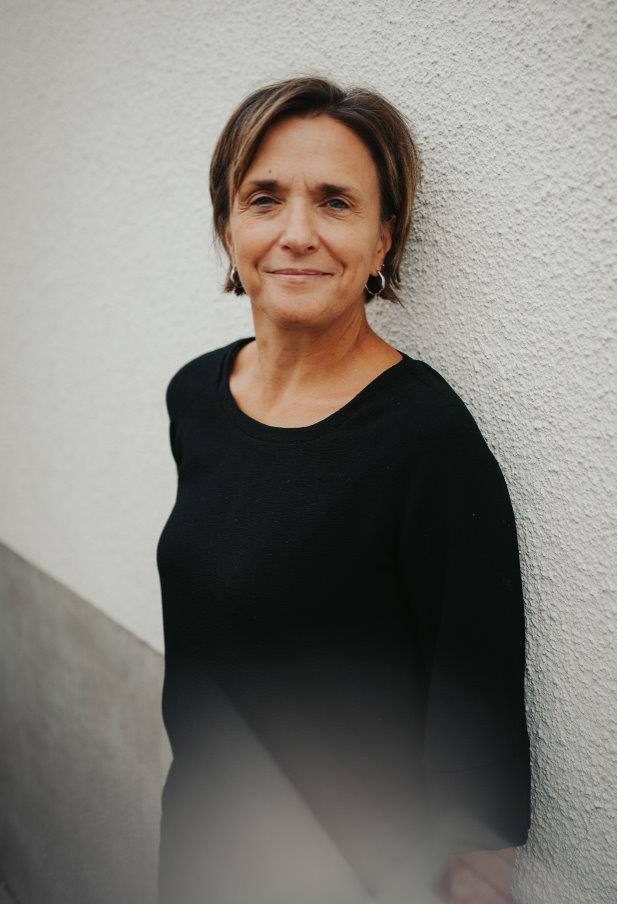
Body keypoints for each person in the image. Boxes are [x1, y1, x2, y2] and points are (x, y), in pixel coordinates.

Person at [156, 76, 532, 904]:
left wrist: (476, 877)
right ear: (227, 224)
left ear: (383, 239)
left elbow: (478, 692)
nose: (297, 234)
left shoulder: (426, 442)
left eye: (335, 203)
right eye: (264, 198)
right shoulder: (195, 398)